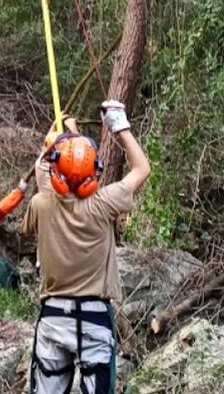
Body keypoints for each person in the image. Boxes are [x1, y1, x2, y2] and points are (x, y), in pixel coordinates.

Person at [20, 100, 150, 394]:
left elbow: (44, 174)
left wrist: (54, 138)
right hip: (94, 318)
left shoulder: (42, 205)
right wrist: (120, 126)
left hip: (53, 316)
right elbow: (141, 169)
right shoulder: (105, 204)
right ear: (96, 171)